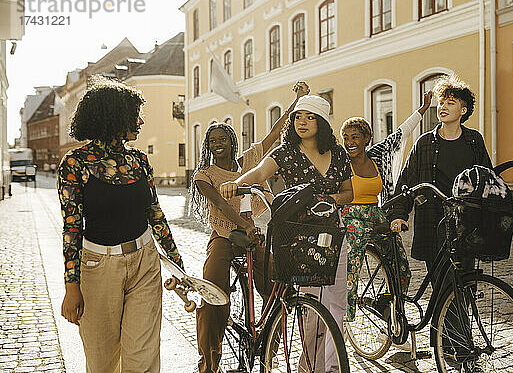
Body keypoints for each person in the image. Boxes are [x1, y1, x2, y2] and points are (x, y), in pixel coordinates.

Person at [58, 76, 184, 373]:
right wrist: (71, 286)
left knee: (143, 360)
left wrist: (178, 267)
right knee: (102, 364)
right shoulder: (75, 164)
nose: (140, 121)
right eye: (134, 114)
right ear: (113, 116)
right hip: (98, 268)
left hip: (145, 264)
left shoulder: (139, 160)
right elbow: (72, 227)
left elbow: (155, 213)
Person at [220, 95, 353, 372]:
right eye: (298, 117)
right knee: (311, 303)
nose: (301, 122)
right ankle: (310, 366)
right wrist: (236, 183)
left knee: (337, 301)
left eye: (310, 117)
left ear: (323, 122)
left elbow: (348, 192)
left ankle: (331, 364)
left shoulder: (338, 154)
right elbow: (257, 173)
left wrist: (329, 200)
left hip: (332, 232)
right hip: (298, 234)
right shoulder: (286, 153)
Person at [190, 82, 310, 373]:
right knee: (213, 293)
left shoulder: (250, 160)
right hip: (224, 236)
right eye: (213, 140)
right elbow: (219, 203)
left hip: (256, 234)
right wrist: (245, 224)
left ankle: (269, 345)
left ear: (232, 141)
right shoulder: (203, 175)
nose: (218, 143)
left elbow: (277, 132)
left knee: (275, 286)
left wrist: (298, 99)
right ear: (208, 146)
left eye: (223, 138)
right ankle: (209, 363)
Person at [387, 75, 492, 359]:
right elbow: (407, 182)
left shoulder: (474, 141)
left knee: (464, 285)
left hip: (466, 224)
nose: (443, 107)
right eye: (441, 102)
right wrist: (399, 214)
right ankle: (454, 346)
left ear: (464, 110)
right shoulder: (424, 143)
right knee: (445, 285)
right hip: (434, 223)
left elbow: (487, 179)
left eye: (451, 103)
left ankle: (453, 341)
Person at [340, 91, 432, 323]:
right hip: (351, 216)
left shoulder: (378, 156)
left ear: (367, 139)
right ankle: (342, 320)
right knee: (351, 268)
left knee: (400, 266)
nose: (350, 142)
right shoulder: (340, 163)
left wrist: (422, 110)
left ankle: (387, 305)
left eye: (355, 137)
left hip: (376, 213)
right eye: (346, 137)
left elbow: (402, 133)